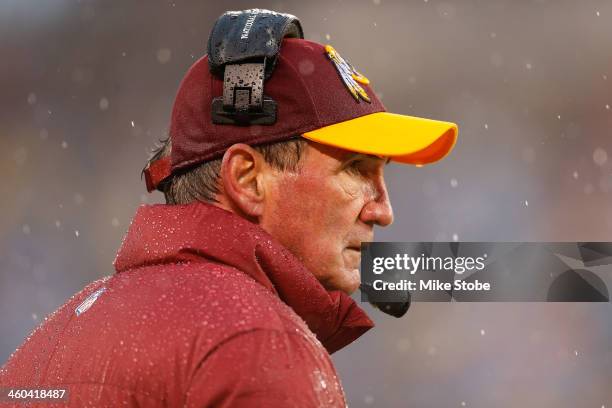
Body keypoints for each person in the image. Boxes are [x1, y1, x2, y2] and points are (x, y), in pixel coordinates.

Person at [0, 9, 457, 407]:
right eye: (357, 170)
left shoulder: (50, 342)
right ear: (247, 179)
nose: (383, 211)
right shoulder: (255, 343)